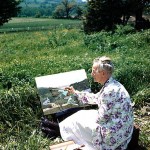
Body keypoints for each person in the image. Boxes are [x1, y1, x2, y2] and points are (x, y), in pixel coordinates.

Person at [58, 56, 134, 150]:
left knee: (77, 120)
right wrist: (76, 93)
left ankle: (58, 130)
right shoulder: (113, 84)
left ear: (102, 73)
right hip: (123, 130)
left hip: (113, 137)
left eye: (94, 71)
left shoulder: (109, 91)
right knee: (81, 114)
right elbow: (96, 97)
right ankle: (59, 129)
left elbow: (101, 119)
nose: (92, 74)